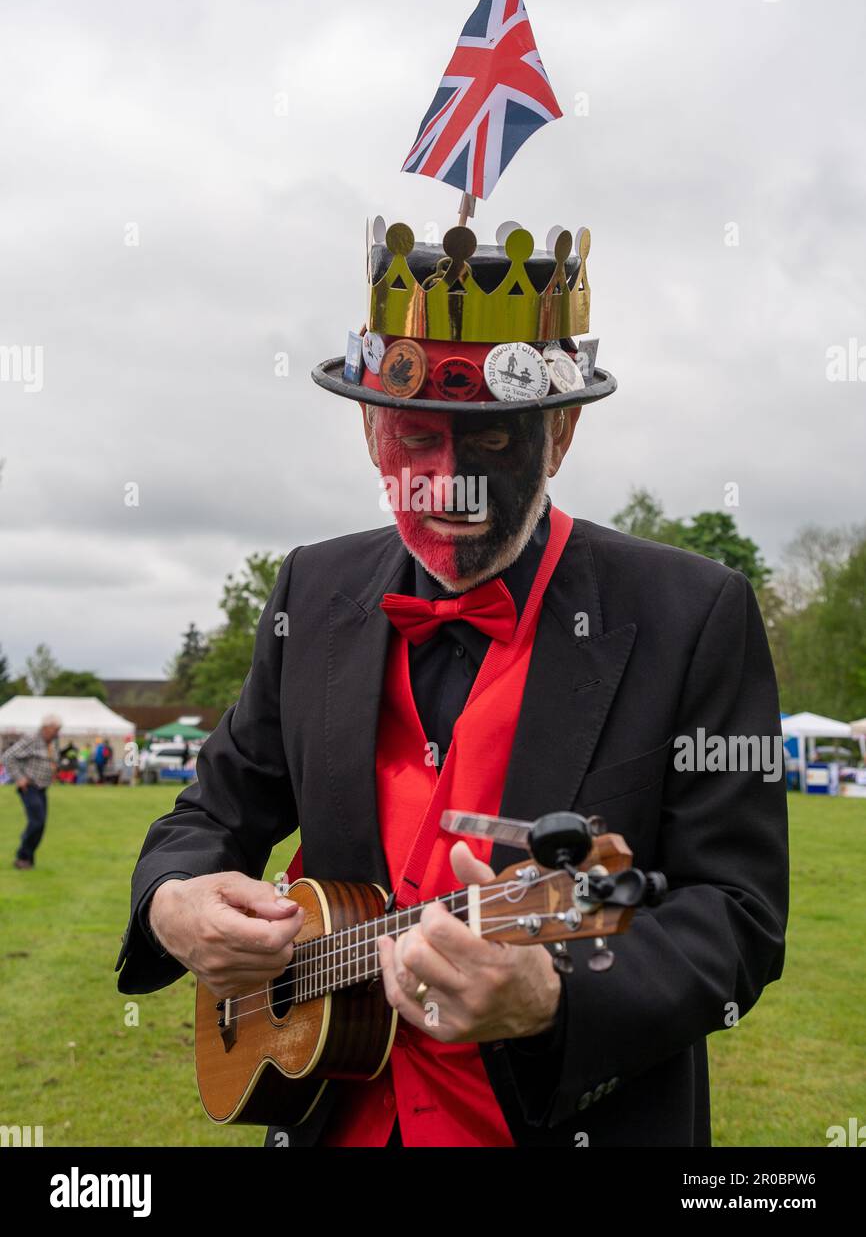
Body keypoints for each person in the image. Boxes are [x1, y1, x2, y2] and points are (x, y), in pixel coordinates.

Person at [116, 212, 789, 1149]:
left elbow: (739, 915)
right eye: (411, 439)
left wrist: (556, 996)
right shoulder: (311, 590)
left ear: (560, 434)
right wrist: (173, 900)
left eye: (492, 446)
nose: (443, 484)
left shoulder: (693, 612)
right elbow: (212, 815)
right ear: (365, 423)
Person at [7, 715, 62, 869]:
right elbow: (8, 757)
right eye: (55, 730)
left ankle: (28, 859)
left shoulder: (51, 743)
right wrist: (19, 778)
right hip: (30, 787)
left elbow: (53, 761)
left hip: (42, 788)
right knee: (36, 822)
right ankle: (22, 856)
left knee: (40, 824)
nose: (57, 733)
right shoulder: (31, 739)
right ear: (46, 728)